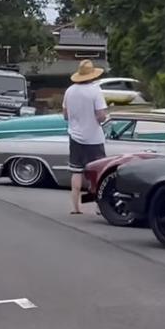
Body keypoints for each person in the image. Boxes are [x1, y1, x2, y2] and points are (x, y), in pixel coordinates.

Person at [63, 59, 108, 215]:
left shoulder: (69, 91)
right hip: (94, 138)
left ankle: (75, 207)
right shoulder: (95, 91)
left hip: (75, 137)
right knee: (97, 173)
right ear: (92, 75)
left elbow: (65, 115)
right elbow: (101, 116)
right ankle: (99, 207)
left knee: (76, 171)